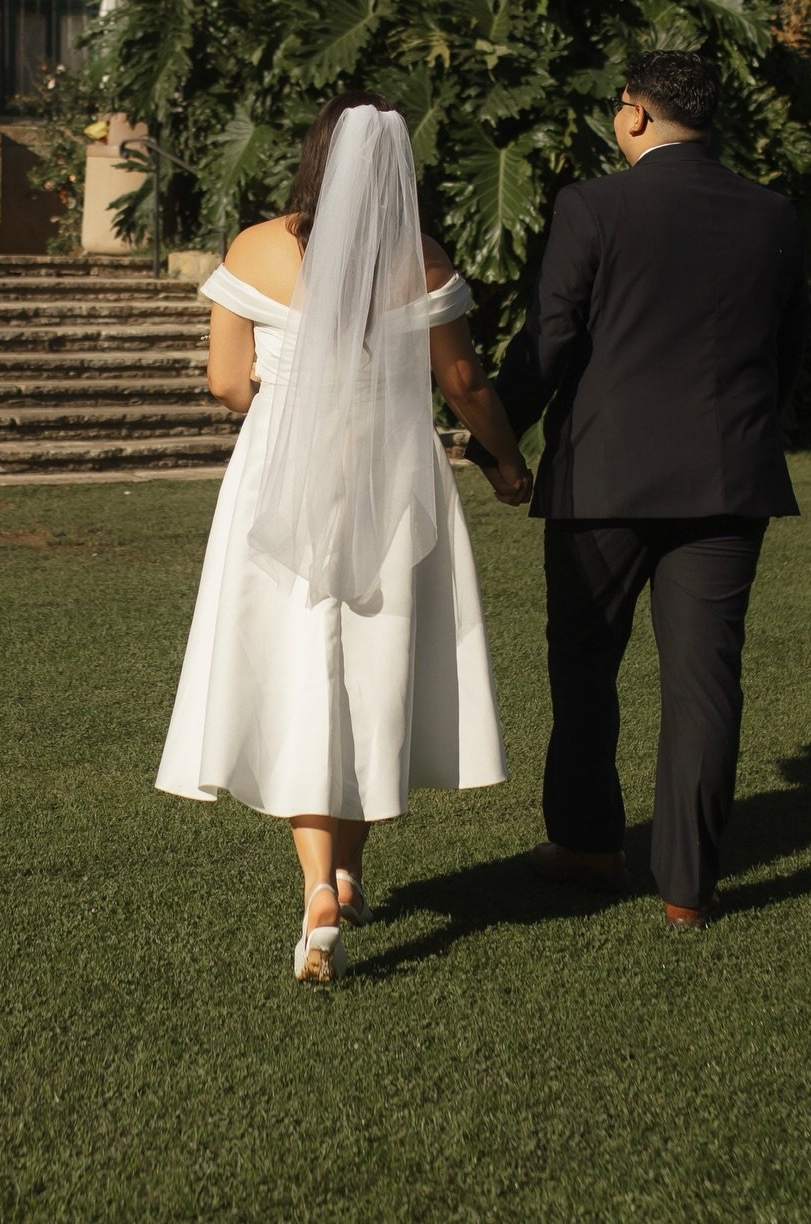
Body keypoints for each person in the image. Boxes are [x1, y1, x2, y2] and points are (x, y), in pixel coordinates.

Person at [156, 95, 531, 983]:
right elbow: (465, 378)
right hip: (391, 476)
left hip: (278, 474)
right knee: (374, 657)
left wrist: (286, 409)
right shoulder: (420, 258)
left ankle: (321, 883)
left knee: (297, 663)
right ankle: (351, 867)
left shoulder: (254, 247)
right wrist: (509, 461)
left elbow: (223, 383)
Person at [469, 50, 807, 926]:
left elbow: (550, 340)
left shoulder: (595, 204)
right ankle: (689, 888)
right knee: (705, 680)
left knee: (585, 661)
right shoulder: (772, 211)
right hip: (731, 477)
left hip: (603, 479)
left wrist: (495, 440)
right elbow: (786, 352)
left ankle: (585, 844)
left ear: (637, 116)